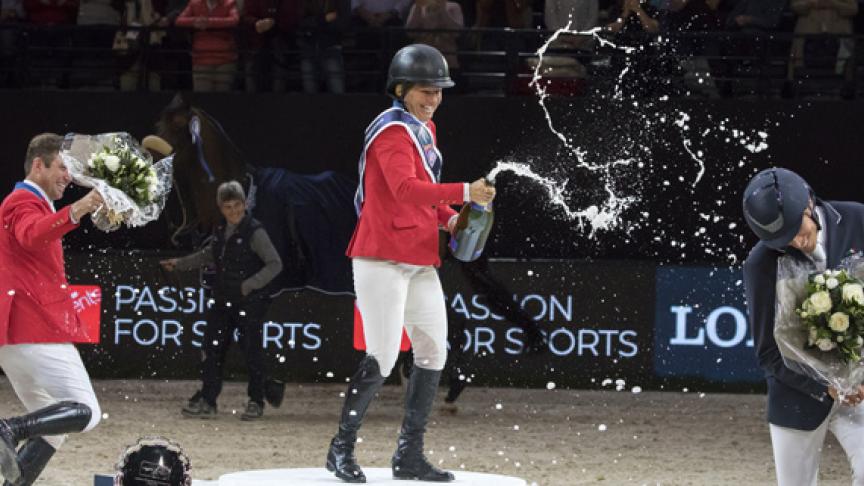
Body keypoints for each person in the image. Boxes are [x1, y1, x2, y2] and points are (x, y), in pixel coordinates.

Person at [325, 43, 496, 483]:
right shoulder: (392, 133)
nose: (433, 99)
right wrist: (464, 191)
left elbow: (425, 194)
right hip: (381, 257)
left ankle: (409, 455)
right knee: (383, 356)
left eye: (438, 91)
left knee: (434, 350)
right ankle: (340, 449)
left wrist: (452, 218)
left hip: (419, 256)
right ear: (401, 90)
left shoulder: (424, 130)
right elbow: (404, 190)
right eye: (425, 91)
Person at [742, 167, 864, 486]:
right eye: (783, 240)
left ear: (809, 203)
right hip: (797, 396)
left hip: (859, 390)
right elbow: (768, 353)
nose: (796, 241)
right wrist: (825, 386)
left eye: (797, 228)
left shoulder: (858, 220)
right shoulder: (760, 265)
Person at [0, 133, 104, 485]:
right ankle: (8, 429)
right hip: (34, 329)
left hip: (15, 338)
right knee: (88, 412)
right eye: (61, 167)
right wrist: (77, 209)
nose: (68, 177)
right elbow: (32, 235)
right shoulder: (21, 200)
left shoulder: (30, 202)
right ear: (38, 165)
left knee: (52, 431)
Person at [160, 180, 284, 421]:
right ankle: (208, 400)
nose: (234, 211)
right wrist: (180, 264)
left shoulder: (255, 232)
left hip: (249, 302)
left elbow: (275, 264)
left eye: (237, 205)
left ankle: (256, 401)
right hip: (222, 299)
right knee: (212, 350)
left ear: (244, 204)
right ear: (221, 208)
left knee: (252, 352)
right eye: (228, 207)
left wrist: (248, 285)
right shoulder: (219, 231)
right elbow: (209, 255)